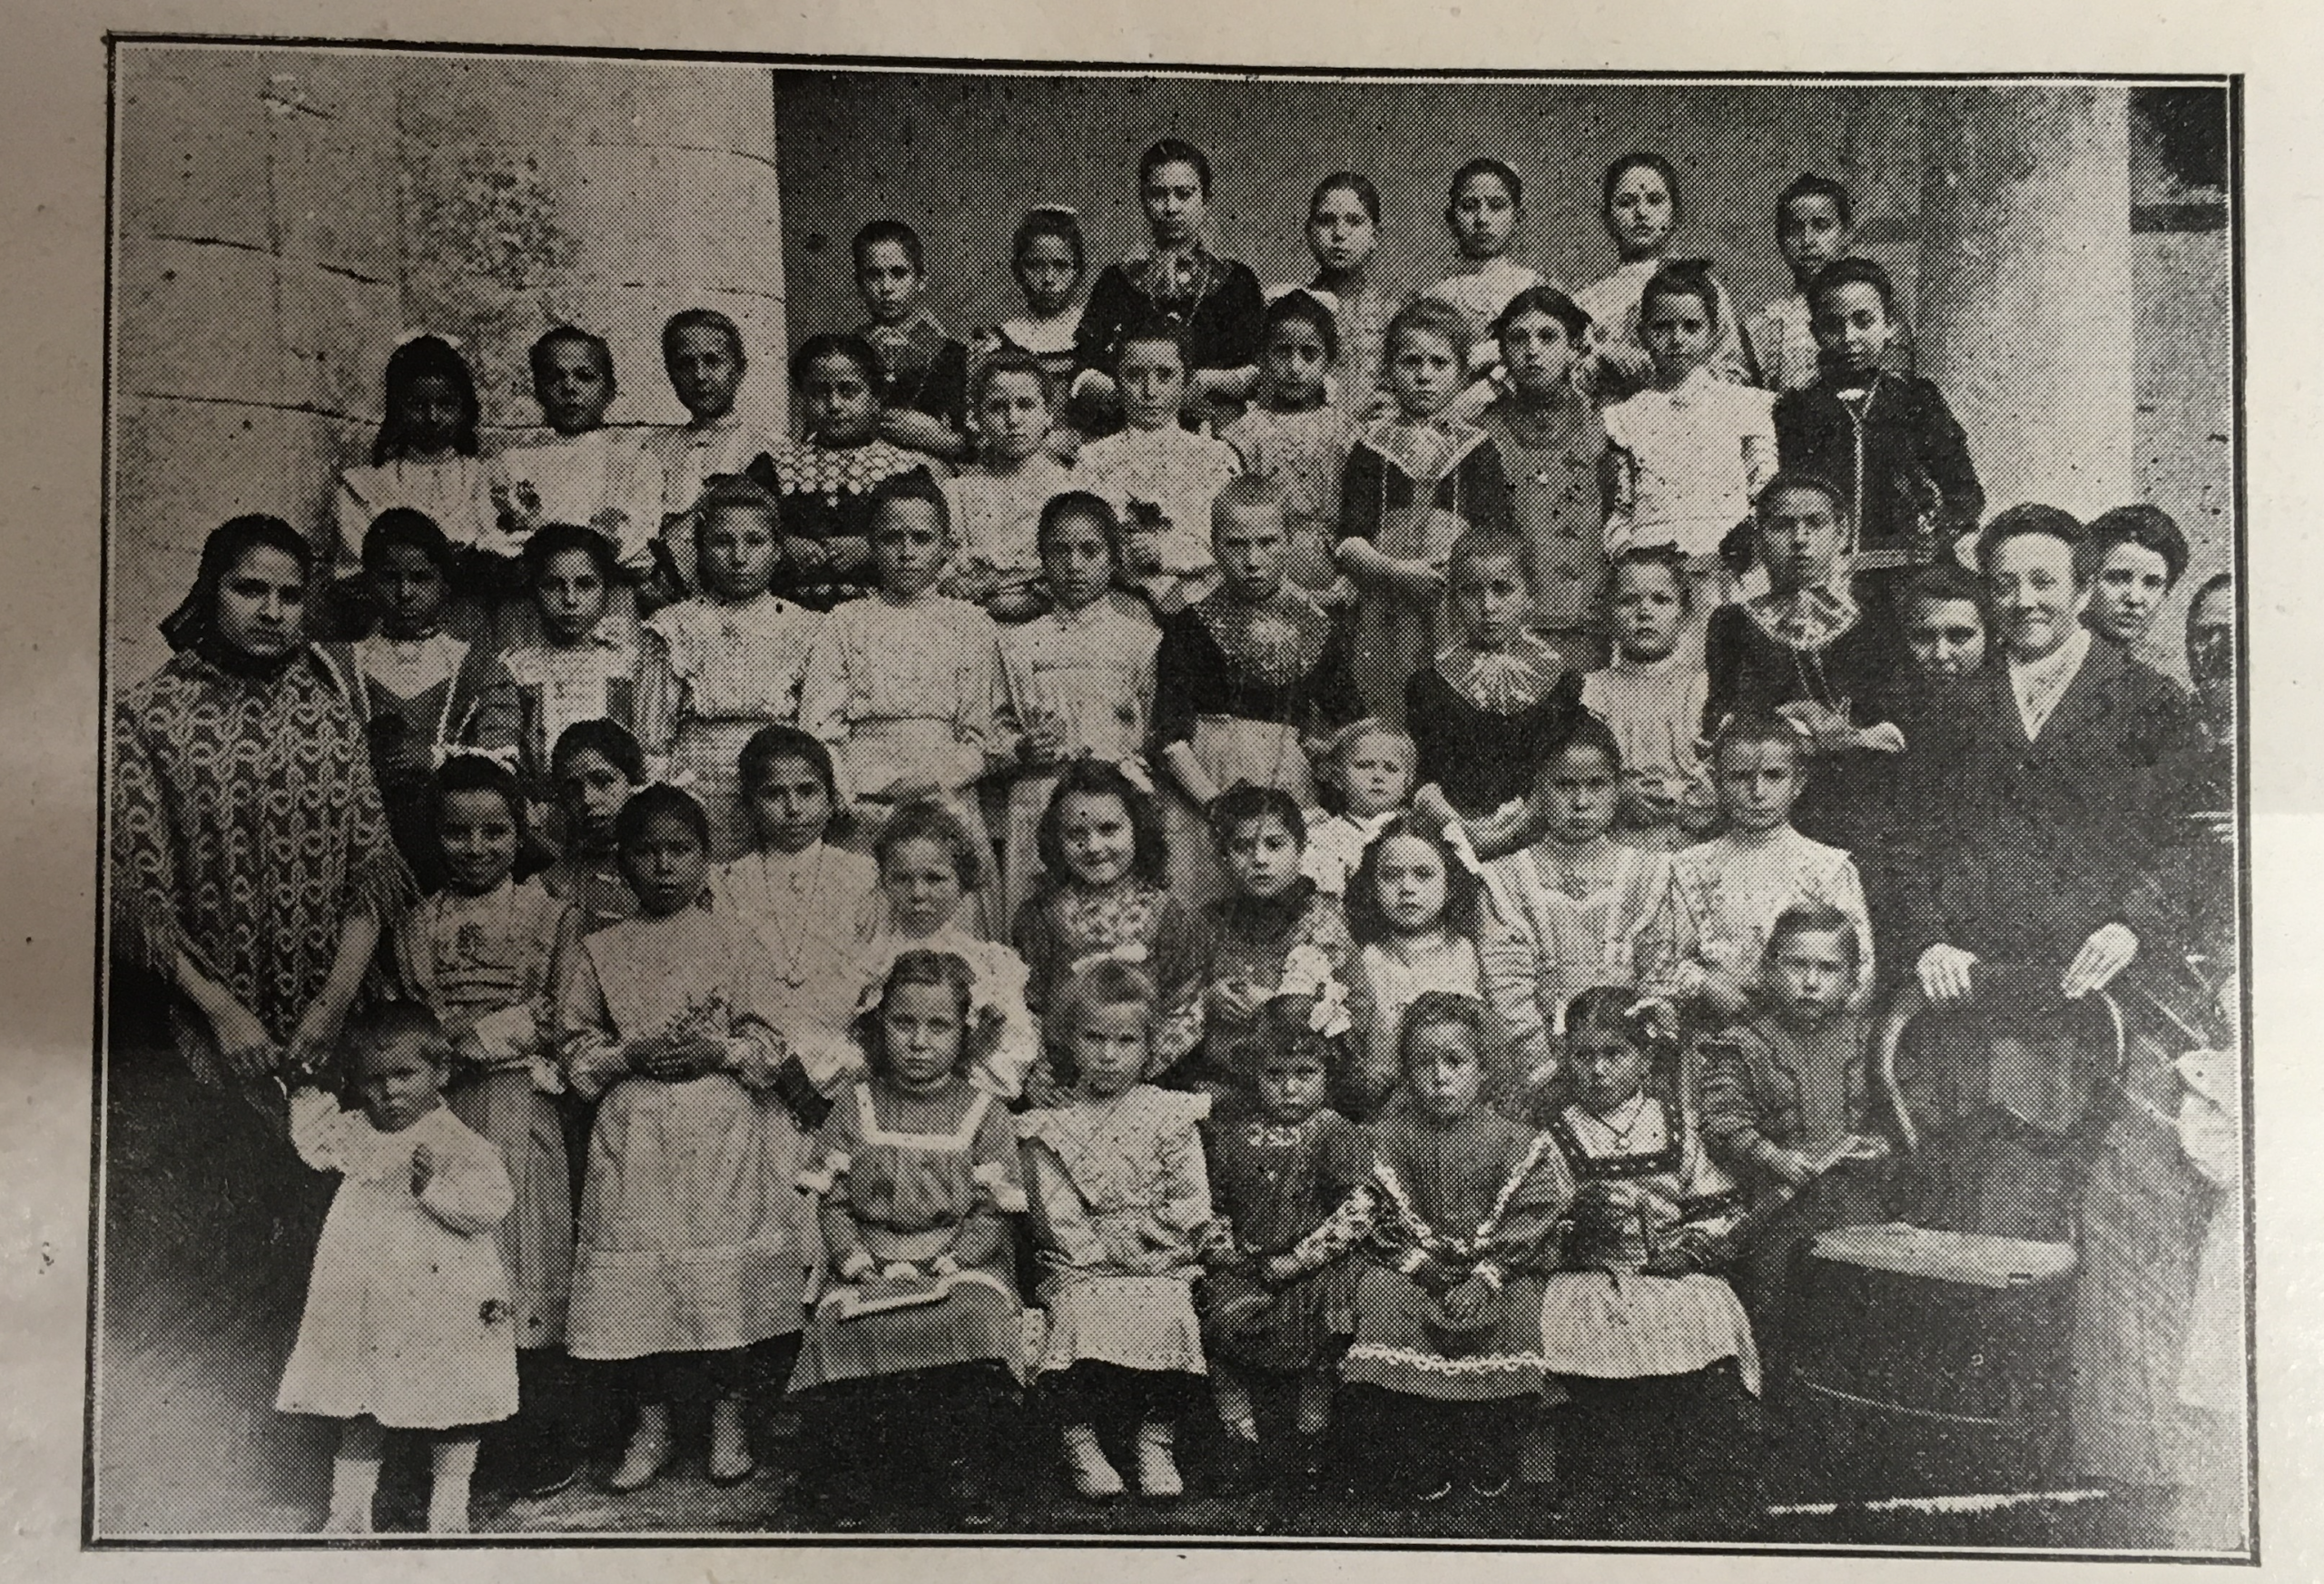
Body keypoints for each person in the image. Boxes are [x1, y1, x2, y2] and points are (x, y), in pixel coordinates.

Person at [1895, 506, 2196, 1235]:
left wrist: (2133, 925)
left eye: (2044, 582)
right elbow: (1909, 842)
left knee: (2080, 1210)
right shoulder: (1952, 706)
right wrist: (1929, 937)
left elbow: (2185, 843)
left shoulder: (2149, 699)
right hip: (1972, 990)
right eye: (2005, 586)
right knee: (1966, 1194)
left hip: (2089, 990)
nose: (2024, 601)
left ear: (2084, 586)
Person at [556, 786, 818, 1493]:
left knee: (718, 1282)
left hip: (718, 1131)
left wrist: (720, 1052)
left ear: (707, 856)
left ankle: (727, 1416)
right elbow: (575, 1055)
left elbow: (769, 1042)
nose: (665, 866)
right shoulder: (600, 950)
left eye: (681, 850)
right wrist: (626, 1055)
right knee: (642, 1280)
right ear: (622, 862)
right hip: (634, 1131)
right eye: (647, 851)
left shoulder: (736, 942)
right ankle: (654, 1421)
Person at [112, 516, 411, 1098]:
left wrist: (331, 1007)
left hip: (330, 1022)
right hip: (203, 1026)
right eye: (249, 589)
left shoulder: (329, 713)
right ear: (209, 591)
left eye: (291, 596)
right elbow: (145, 905)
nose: (273, 612)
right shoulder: (145, 717)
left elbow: (370, 877)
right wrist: (223, 1014)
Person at [388, 755, 582, 1498]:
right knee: (446, 1264)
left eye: (494, 831)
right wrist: (438, 1046)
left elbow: (556, 1011)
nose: (477, 847)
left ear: (519, 830)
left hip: (516, 1103)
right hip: (444, 1113)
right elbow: (405, 1009)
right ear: (436, 837)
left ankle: (529, 1438)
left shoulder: (548, 913)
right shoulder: (416, 922)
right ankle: (447, 1446)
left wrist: (472, 1040)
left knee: (518, 1261)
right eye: (458, 833)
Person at [788, 949, 1030, 1531]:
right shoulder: (855, 1104)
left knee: (970, 1316)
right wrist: (856, 1259)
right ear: (879, 1028)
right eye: (904, 1024)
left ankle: (959, 1462)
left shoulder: (983, 1111)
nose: (919, 1042)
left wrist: (951, 1261)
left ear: (964, 1035)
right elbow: (836, 1200)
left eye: (938, 1026)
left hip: (959, 1259)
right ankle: (857, 1469)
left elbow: (992, 1213)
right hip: (870, 1259)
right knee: (845, 1321)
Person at [275, 1003, 519, 1534]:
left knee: (456, 1399)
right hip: (368, 1293)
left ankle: (449, 1510)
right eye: (373, 1081)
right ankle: (349, 1515)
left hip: (442, 1295)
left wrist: (432, 1190)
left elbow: (490, 1205)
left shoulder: (459, 1142)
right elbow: (314, 1145)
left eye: (403, 1075)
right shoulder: (358, 1130)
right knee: (361, 1397)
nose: (388, 1093)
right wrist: (304, 1090)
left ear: (441, 1073)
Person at [1535, 990, 1760, 1524]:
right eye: (1583, 1057)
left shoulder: (1675, 1124)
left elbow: (1717, 1201)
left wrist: (1692, 1246)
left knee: (1695, 1316)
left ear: (1645, 1057)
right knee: (1590, 1335)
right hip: (1591, 1271)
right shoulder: (1558, 1135)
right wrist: (1575, 1225)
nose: (1598, 1071)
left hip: (1671, 1267)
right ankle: (1608, 1468)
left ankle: (1677, 1464)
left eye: (1614, 1055)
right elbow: (1537, 1222)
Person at [1335, 992, 1567, 1503]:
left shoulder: (1516, 1140)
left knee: (1522, 1304)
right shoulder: (1384, 1138)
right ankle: (1422, 1446)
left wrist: (1486, 1277)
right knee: (1379, 1294)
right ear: (1406, 1070)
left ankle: (1485, 1445)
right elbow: (1373, 1212)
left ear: (1482, 1069)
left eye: (1455, 1062)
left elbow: (1535, 1213)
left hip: (1497, 1270)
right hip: (1415, 1267)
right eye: (1424, 1063)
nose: (1439, 1077)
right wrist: (1429, 1273)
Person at [1019, 959, 1215, 1500]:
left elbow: (1190, 1201)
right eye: (1094, 1038)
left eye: (1125, 1041)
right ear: (1068, 1038)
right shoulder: (1049, 1124)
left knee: (1170, 1310)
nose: (1108, 1055)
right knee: (1078, 1314)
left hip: (1159, 1255)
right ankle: (1079, 1441)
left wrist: (1149, 1245)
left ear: (1148, 1045)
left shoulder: (1169, 1114)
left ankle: (1156, 1439)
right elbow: (1055, 1214)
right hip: (1082, 1263)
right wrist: (1100, 1255)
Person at [1696, 905, 1890, 1381]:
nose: (1810, 982)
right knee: (1779, 1320)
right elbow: (1721, 1124)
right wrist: (1773, 1157)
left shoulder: (1871, 1038)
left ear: (1851, 979)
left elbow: (1904, 1110)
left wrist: (1880, 1144)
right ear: (1768, 969)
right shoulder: (1742, 1043)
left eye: (1828, 969)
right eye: (1796, 965)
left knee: (1867, 1322)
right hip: (1779, 1213)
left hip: (1860, 1208)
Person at [1155, 477, 1364, 905]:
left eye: (1268, 543)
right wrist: (1213, 803)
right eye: (1236, 545)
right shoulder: (1188, 626)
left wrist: (1323, 752)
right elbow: (1168, 733)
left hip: (1285, 784)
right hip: (1207, 782)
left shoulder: (1317, 626)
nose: (1253, 560)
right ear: (1214, 545)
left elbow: (1352, 720)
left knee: (1278, 902)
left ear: (1289, 541)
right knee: (1204, 897)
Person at [1197, 984, 1374, 1491]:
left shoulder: (1332, 1129)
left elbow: (1358, 1210)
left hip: (1314, 1266)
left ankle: (1309, 1441)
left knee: (1321, 1332)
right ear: (1256, 1075)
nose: (1291, 1089)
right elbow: (1216, 1202)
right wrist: (1225, 1248)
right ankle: (1240, 1437)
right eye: (1275, 1075)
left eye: (1305, 1074)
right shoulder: (1235, 1132)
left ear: (1328, 1075)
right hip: (1249, 1264)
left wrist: (1296, 1261)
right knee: (1217, 1320)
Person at [798, 471, 1009, 854]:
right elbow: (820, 725)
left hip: (946, 795)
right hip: (865, 800)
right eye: (892, 539)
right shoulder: (845, 620)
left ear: (946, 547)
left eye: (921, 538)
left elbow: (983, 735)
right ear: (872, 546)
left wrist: (929, 781)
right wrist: (857, 788)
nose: (906, 552)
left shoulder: (971, 624)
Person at [1772, 258, 1984, 630]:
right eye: (1834, 325)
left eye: (1863, 321)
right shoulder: (1796, 409)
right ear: (1815, 332)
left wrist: (1941, 533)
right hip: (1825, 582)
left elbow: (1962, 487)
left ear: (1889, 326)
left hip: (1903, 574)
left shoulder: (1916, 399)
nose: (1850, 337)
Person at [1703, 473, 1908, 855]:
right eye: (1782, 526)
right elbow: (1721, 718)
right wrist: (1800, 716)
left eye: (1815, 524)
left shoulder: (1877, 622)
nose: (1800, 540)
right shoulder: (1732, 623)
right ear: (1761, 538)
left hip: (1860, 809)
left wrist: (1849, 736)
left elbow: (1894, 725)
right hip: (1764, 809)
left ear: (1841, 532)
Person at [1482, 715, 1684, 1091]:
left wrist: (1635, 1067)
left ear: (1617, 788)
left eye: (1597, 785)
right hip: (1541, 1074)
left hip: (1629, 1071)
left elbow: (1658, 977)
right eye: (1564, 786)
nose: (1581, 802)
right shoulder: (1504, 878)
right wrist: (1546, 1071)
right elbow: (1507, 987)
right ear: (1539, 790)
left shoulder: (1649, 871)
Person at [1338, 297, 1515, 723]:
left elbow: (1498, 540)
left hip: (1453, 600)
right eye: (1410, 362)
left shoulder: (1478, 448)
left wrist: (1459, 571)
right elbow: (1348, 541)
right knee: (1386, 702)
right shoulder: (1369, 446)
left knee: (1450, 702)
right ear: (1389, 370)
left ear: (1459, 374)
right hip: (1383, 603)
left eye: (1439, 364)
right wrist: (1394, 570)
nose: (1423, 375)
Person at [320, 509, 516, 893]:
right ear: (368, 583)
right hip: (356, 844)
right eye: (390, 578)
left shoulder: (477, 664)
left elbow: (505, 762)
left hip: (453, 851)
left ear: (444, 586)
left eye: (420, 578)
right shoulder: (337, 663)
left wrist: (433, 758)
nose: (405, 592)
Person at [994, 492, 1160, 929]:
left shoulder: (1140, 640)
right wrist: (1019, 747)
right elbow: (996, 727)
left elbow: (1153, 730)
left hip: (1114, 805)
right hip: (1039, 796)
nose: (1074, 565)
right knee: (1039, 927)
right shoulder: (1017, 643)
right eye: (1060, 551)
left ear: (1113, 556)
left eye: (1090, 550)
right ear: (1042, 559)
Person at [635, 478, 818, 861]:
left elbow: (816, 727)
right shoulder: (674, 627)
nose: (738, 557)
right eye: (722, 542)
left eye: (754, 542)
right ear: (700, 549)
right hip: (696, 789)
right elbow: (652, 740)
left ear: (777, 550)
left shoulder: (806, 629)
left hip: (781, 793)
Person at [1601, 261, 1777, 651]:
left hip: (1729, 576)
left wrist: (1740, 545)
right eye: (1662, 328)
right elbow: (1619, 510)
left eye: (1691, 327)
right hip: (1653, 586)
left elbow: (1767, 489)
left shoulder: (1749, 406)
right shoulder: (1624, 418)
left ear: (1713, 333)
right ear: (1643, 334)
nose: (1676, 339)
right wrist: (1635, 563)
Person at [704, 724, 881, 1108]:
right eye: (773, 794)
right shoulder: (725, 882)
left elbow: (880, 972)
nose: (793, 808)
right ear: (749, 805)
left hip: (846, 1065)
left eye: (807, 791)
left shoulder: (865, 877)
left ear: (831, 800)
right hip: (757, 1070)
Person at [1011, 757, 1207, 1099]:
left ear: (1138, 829)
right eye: (1076, 834)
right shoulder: (1039, 916)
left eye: (1109, 830)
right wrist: (1034, 1073)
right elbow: (1025, 1008)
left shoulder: (1166, 913)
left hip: (1147, 1084)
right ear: (1056, 840)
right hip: (1064, 1089)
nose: (1094, 847)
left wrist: (1141, 1067)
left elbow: (1188, 1003)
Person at [1670, 714, 1876, 1029]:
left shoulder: (1828, 868)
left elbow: (1861, 971)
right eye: (1740, 777)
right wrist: (1708, 985)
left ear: (1798, 782)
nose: (1757, 792)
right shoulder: (1691, 867)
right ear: (1716, 781)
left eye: (1774, 776)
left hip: (1812, 1036)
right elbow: (1668, 958)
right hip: (1718, 1033)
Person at [1072, 137, 1266, 435]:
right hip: (1130, 433)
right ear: (1143, 198)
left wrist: (1209, 381)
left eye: (1184, 194)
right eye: (1158, 194)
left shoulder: (1236, 282)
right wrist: (1129, 393)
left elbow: (1260, 367)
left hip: (1216, 433)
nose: (1171, 207)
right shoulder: (1117, 282)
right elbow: (1084, 372)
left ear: (1205, 198)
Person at [855, 799, 1039, 1100]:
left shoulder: (990, 966)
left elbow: (1013, 1057)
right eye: (902, 878)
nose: (918, 894)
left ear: (962, 881)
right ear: (884, 882)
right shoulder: (867, 964)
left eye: (935, 878)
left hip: (961, 1109)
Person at [1405, 526, 1587, 830]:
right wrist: (1466, 833)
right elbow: (1425, 781)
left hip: (1537, 833)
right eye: (1471, 591)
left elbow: (1564, 774)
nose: (1488, 606)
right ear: (1454, 599)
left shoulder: (1564, 683)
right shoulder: (1428, 684)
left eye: (1502, 589)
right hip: (1454, 834)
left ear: (1530, 596)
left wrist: (1513, 829)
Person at [491, 326, 666, 626]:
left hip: (615, 609)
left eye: (584, 376)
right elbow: (504, 543)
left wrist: (548, 538)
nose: (569, 387)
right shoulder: (513, 463)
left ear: (609, 389)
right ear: (538, 389)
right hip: (532, 610)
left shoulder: (633, 460)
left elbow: (639, 542)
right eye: (554, 377)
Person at [330, 334, 498, 639]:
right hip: (389, 633)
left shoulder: (489, 479)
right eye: (418, 405)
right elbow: (357, 573)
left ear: (464, 410)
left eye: (445, 404)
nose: (432, 417)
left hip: (470, 626)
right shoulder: (364, 485)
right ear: (397, 409)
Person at [1481, 287, 1612, 671]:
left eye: (1548, 337)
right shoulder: (1483, 430)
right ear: (1503, 352)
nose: (1532, 350)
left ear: (1574, 347)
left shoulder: (1602, 422)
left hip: (1589, 619)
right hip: (1508, 623)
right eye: (1518, 339)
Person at [751, 334, 931, 611]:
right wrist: (783, 545)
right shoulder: (775, 466)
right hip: (788, 612)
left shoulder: (903, 470)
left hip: (878, 614)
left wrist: (871, 549)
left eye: (848, 391)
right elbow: (742, 525)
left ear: (874, 398)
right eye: (819, 392)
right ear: (803, 398)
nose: (834, 404)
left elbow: (929, 544)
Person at [1074, 322, 1244, 614]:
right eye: (1134, 376)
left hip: (1203, 606)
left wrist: (1166, 553)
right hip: (1119, 608)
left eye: (1164, 376)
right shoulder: (1094, 460)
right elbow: (1080, 540)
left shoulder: (1215, 457)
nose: (1149, 390)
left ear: (1186, 381)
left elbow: (1235, 537)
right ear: (1117, 380)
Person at [1196, 785, 1355, 1091]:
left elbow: (1357, 1007)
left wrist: (1279, 1007)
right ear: (1224, 856)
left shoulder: (1323, 924)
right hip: (1224, 1084)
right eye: (1242, 847)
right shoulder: (1209, 925)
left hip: (1298, 1089)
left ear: (1300, 849)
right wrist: (1206, 1000)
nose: (1259, 859)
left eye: (1274, 844)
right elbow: (1170, 997)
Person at [1340, 813, 1492, 1117]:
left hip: (1461, 1106)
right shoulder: (1367, 959)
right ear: (1372, 884)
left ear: (1449, 883)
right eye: (1391, 875)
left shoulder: (1465, 953)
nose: (1407, 887)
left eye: (1423, 874)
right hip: (1388, 1113)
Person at [1574, 152, 1752, 400]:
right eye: (1626, 202)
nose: (1641, 212)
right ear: (1607, 219)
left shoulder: (1700, 286)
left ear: (1675, 213)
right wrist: (1603, 363)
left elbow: (1735, 370)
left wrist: (1666, 376)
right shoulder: (1588, 302)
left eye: (1655, 200)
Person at [486, 523, 642, 799]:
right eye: (553, 586)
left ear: (605, 589)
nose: (570, 599)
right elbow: (501, 750)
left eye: (585, 585)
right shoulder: (519, 669)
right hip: (542, 810)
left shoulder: (626, 664)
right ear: (535, 590)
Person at [1221, 290, 1357, 603]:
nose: (1295, 367)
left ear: (1329, 361)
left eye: (1309, 354)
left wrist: (1350, 580)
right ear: (1263, 356)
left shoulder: (1348, 432)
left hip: (1340, 578)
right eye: (1283, 352)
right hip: (1265, 579)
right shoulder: (1243, 436)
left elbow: (1362, 516)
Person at [1581, 546, 1718, 853]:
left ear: (1683, 613)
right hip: (1614, 848)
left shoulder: (1703, 688)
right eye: (1628, 600)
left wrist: (1675, 794)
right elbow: (1577, 772)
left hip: (1692, 849)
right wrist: (1617, 792)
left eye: (1661, 599)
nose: (1644, 612)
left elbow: (1722, 776)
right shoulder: (1592, 691)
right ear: (1609, 615)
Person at [644, 309, 783, 600]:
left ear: (739, 369)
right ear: (670, 374)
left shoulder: (769, 449)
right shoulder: (653, 450)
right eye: (685, 364)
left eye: (712, 361)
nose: (700, 376)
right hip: (665, 600)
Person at [940, 350, 1075, 622]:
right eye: (997, 407)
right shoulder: (957, 493)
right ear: (977, 418)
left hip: (1050, 625)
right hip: (970, 625)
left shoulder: (1068, 490)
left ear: (1048, 414)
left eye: (1025, 405)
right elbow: (941, 568)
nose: (1013, 419)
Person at [1423, 158, 1550, 411]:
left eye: (1496, 206)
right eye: (1469, 206)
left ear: (1518, 217)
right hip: (1456, 421)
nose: (1482, 218)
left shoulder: (1537, 288)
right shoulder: (1435, 298)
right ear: (1451, 218)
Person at [851, 219, 973, 464]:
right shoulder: (848, 354)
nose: (886, 287)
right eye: (874, 275)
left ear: (920, 279)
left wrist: (938, 439)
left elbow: (980, 445)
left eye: (898, 273)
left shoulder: (954, 355)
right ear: (860, 285)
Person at [972, 205, 1090, 442]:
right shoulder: (1001, 339)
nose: (1048, 279)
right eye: (1035, 266)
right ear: (1018, 270)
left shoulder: (1093, 330)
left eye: (1060, 266)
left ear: (1078, 271)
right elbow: (980, 424)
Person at [1303, 172, 1404, 418]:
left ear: (1375, 236)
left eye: (1354, 221)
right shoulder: (1293, 310)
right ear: (1309, 232)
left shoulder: (1397, 311)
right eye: (1326, 221)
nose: (1339, 233)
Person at [1747, 174, 1854, 395]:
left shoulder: (1873, 316)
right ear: (1780, 240)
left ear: (1846, 235)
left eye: (1821, 226)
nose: (1808, 240)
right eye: (1795, 228)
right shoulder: (1764, 326)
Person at [535, 720, 645, 933]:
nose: (587, 799)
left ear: (631, 783)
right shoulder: (555, 882)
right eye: (573, 788)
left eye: (603, 781)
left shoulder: (659, 868)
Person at [1300, 719, 1417, 900]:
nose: (1378, 776)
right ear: (1339, 777)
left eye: (1391, 769)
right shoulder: (1321, 835)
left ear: (1407, 783)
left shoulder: (1419, 831)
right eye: (1365, 765)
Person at [2084, 503, 2193, 654]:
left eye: (2152, 584)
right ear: (2087, 583)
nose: (2134, 599)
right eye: (2117, 579)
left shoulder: (2155, 675)